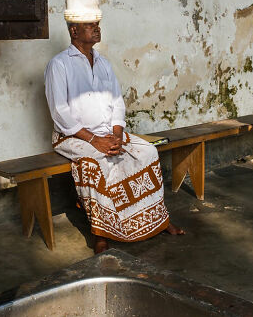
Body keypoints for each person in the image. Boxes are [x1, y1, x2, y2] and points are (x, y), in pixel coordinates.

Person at [45, 20, 184, 254]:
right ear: (74, 31)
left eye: (98, 24)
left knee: (147, 152)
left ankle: (158, 219)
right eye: (90, 25)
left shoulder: (104, 63)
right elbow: (59, 112)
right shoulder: (59, 64)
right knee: (97, 163)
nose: (97, 29)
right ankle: (101, 232)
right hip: (72, 136)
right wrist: (94, 140)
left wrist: (117, 135)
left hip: (108, 134)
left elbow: (117, 102)